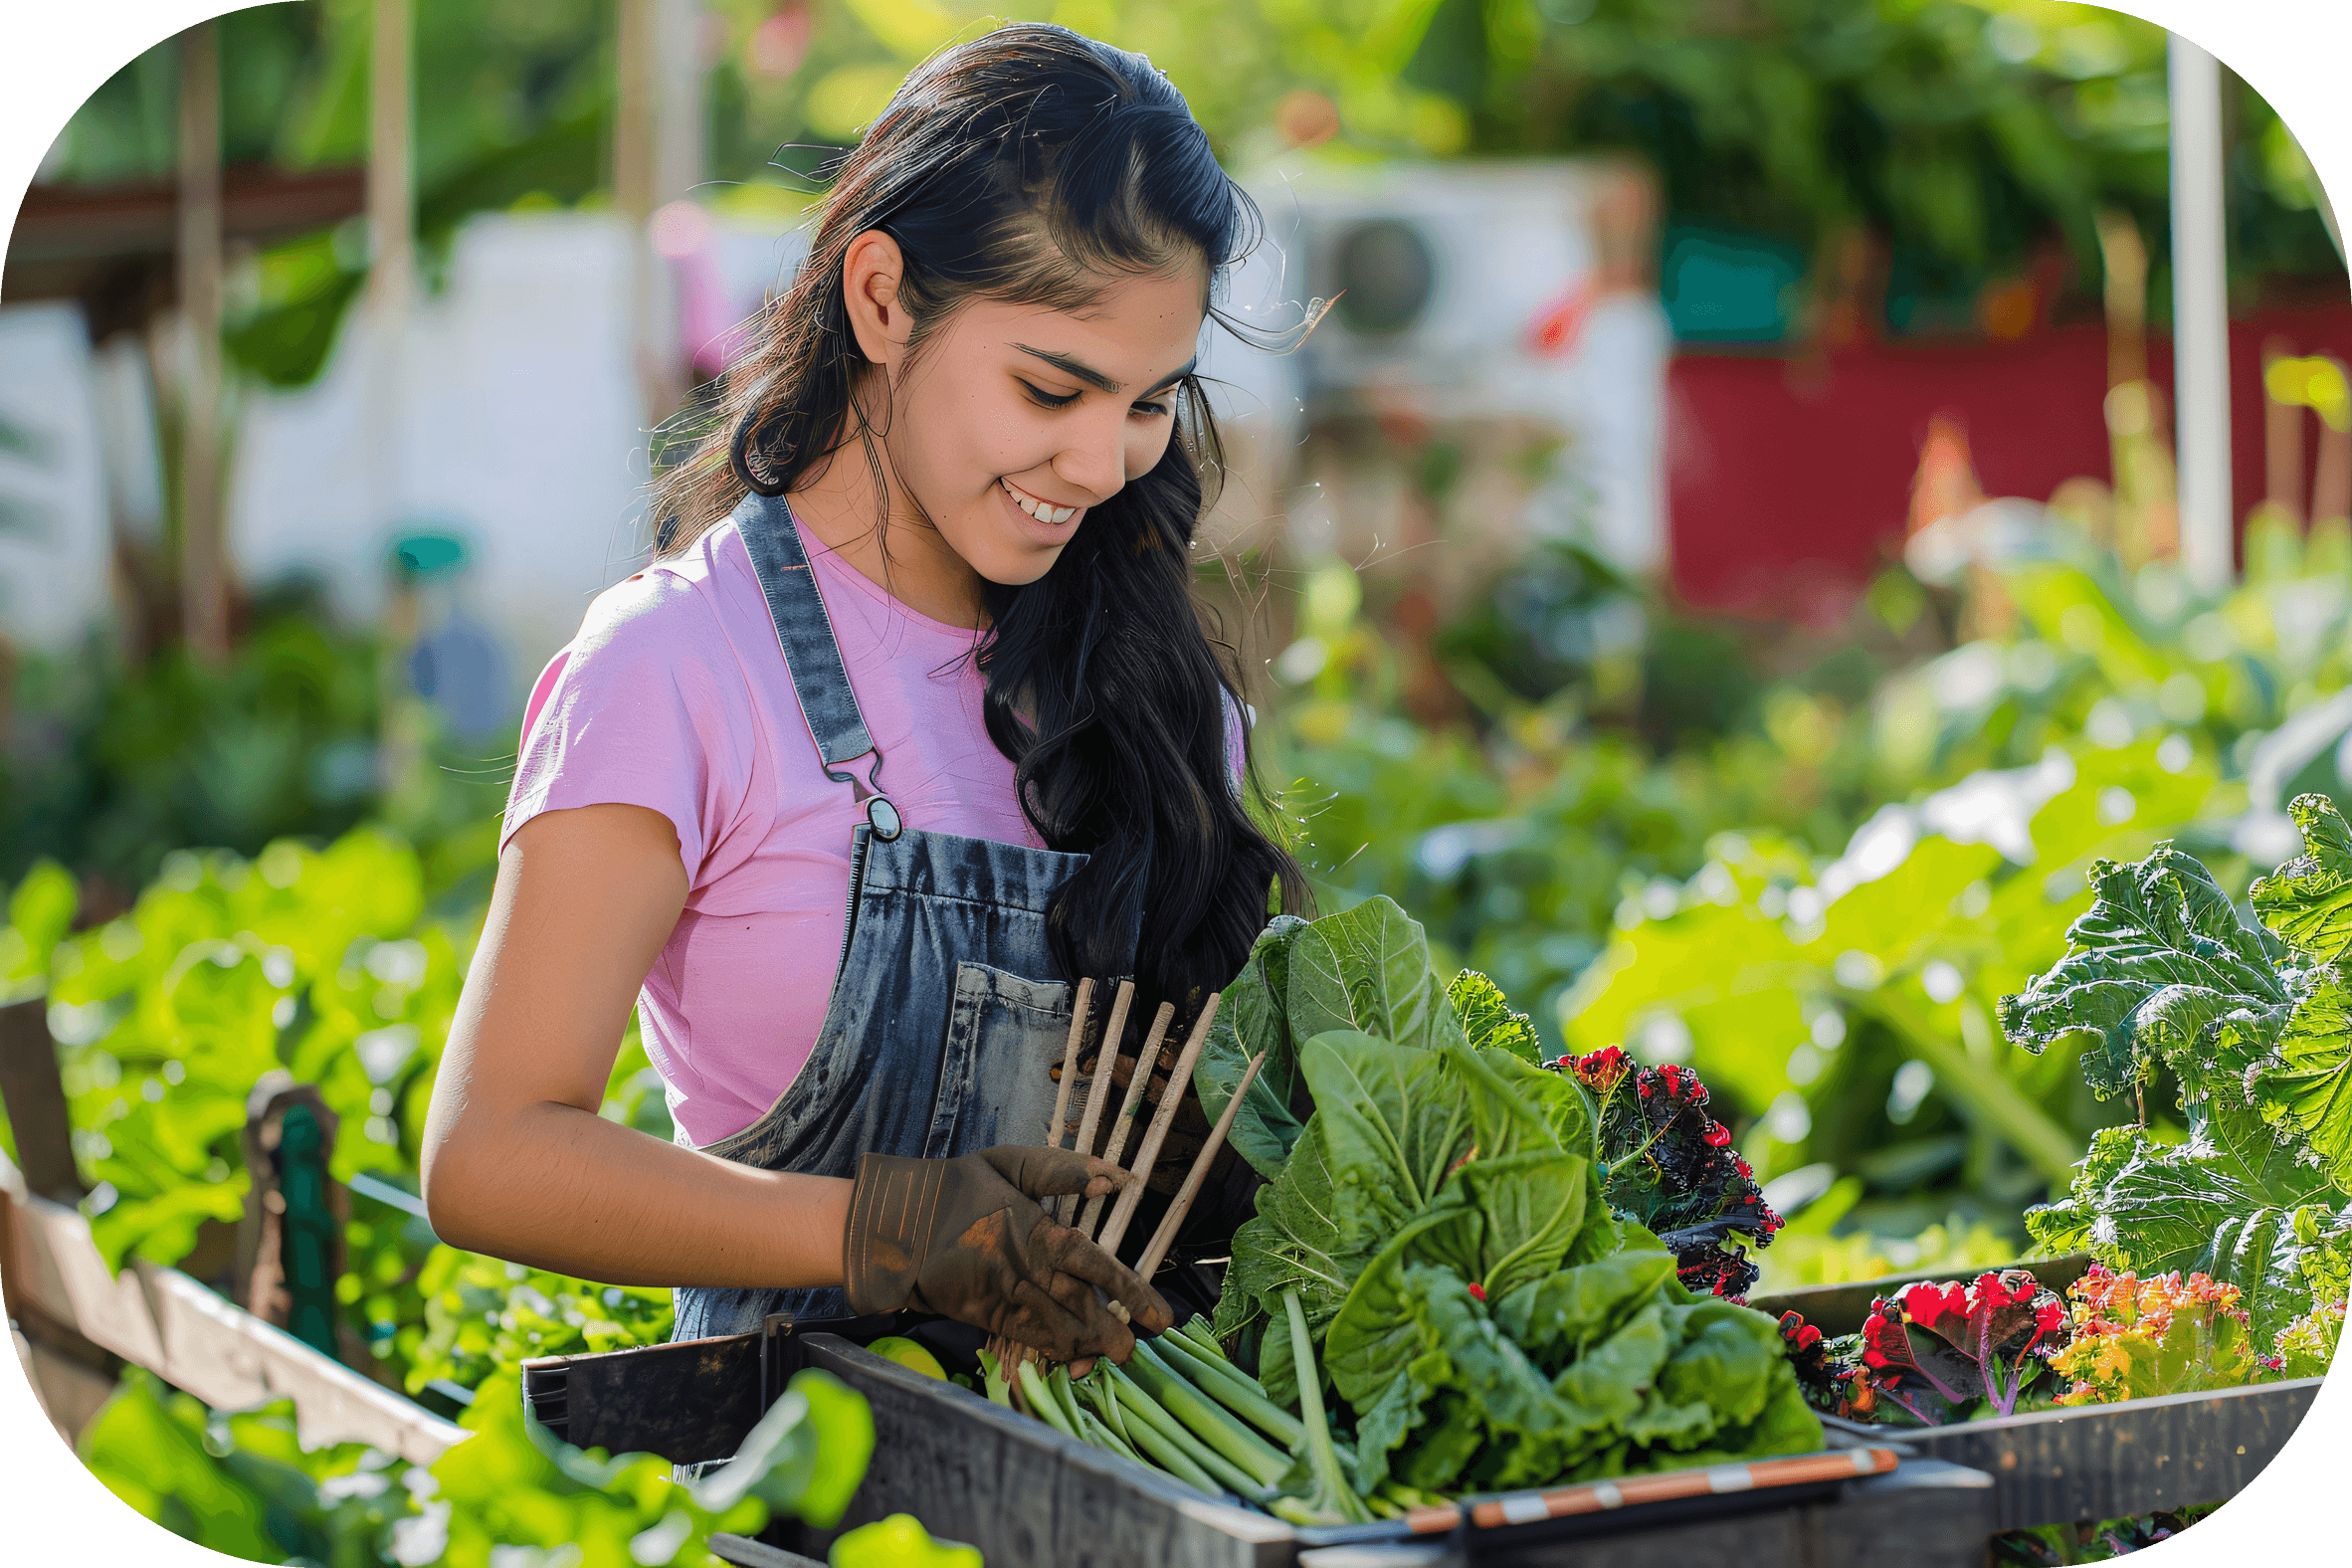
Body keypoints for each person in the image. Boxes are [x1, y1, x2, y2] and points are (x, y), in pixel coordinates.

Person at [420, 23, 1312, 1377]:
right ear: (883, 298)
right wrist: (888, 1231)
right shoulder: (674, 666)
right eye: (1051, 388)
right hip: (806, 1486)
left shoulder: (1153, 694)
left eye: (1147, 404)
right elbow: (489, 1158)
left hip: (1149, 1474)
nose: (1100, 462)